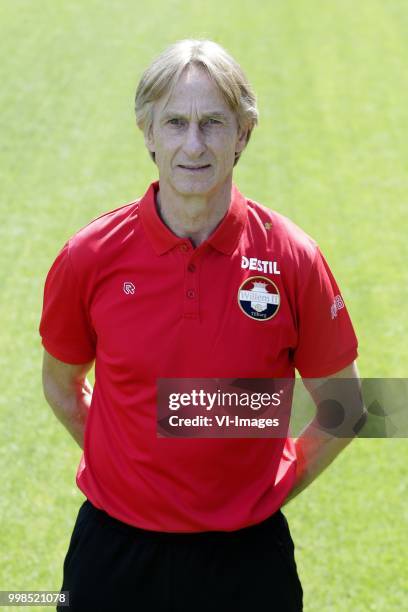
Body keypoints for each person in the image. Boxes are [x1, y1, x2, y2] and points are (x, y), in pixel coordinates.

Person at [39, 39, 366, 611]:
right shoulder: (90, 256)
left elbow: (346, 406)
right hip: (114, 553)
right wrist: (123, 466)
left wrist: (275, 486)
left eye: (214, 123)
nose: (194, 144)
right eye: (176, 123)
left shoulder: (292, 258)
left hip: (247, 561)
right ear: (148, 133)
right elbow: (61, 387)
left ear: (242, 136)